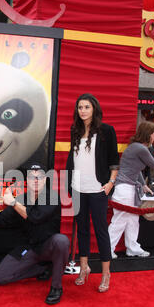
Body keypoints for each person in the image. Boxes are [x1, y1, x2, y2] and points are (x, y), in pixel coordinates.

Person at [0, 163, 70, 305]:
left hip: (48, 246)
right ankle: (44, 268)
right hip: (29, 247)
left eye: (39, 177)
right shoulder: (21, 199)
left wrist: (12, 202)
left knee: (62, 240)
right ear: (27, 181)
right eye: (32, 177)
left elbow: (35, 217)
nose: (36, 181)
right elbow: (1, 219)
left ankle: (56, 287)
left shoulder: (52, 197)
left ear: (44, 180)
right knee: (1, 277)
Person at [66, 93, 119, 293]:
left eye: (86, 107)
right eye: (80, 107)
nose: (83, 111)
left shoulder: (106, 131)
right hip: (78, 188)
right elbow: (73, 159)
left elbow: (114, 159)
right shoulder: (75, 130)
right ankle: (84, 268)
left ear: (94, 108)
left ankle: (106, 273)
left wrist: (110, 182)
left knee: (100, 231)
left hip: (98, 189)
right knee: (82, 230)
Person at [108, 121, 154, 259]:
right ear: (149, 134)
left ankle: (132, 248)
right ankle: (108, 248)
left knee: (132, 219)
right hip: (125, 189)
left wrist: (143, 185)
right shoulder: (140, 148)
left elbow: (136, 169)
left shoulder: (135, 147)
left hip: (127, 188)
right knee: (120, 220)